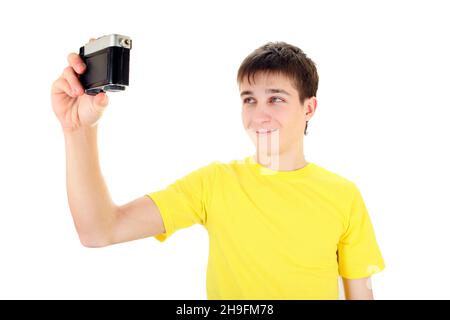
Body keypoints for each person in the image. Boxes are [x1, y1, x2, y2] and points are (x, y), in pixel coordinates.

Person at [51, 39, 385, 300]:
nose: (259, 115)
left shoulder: (343, 195)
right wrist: (78, 130)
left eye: (276, 99)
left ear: (309, 107)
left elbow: (361, 292)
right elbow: (98, 230)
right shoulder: (214, 184)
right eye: (249, 99)